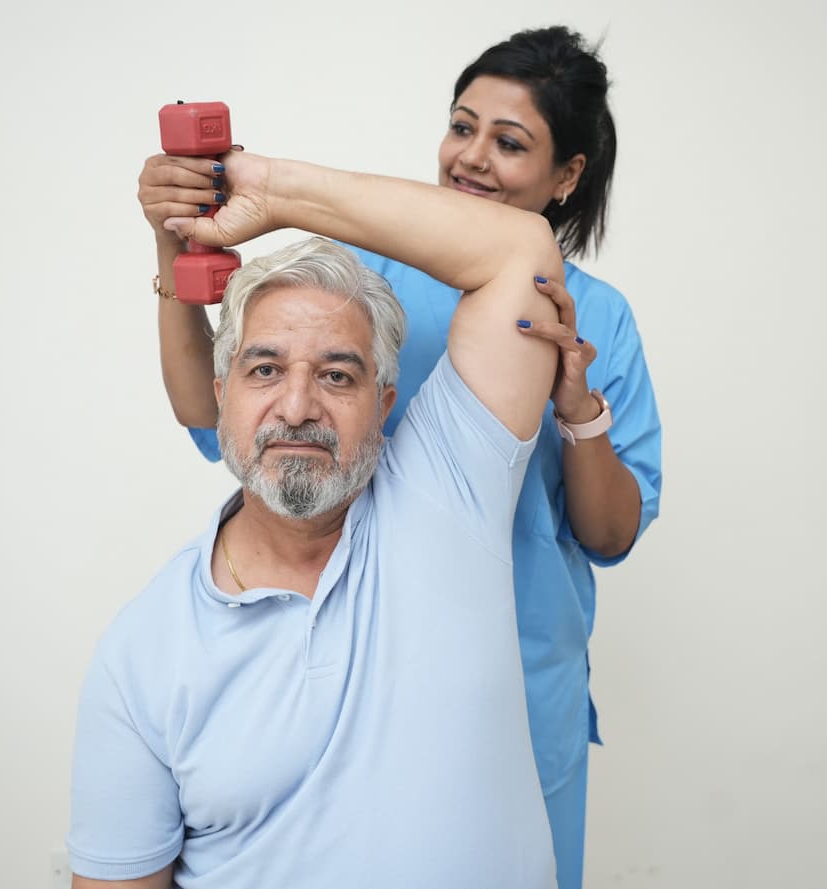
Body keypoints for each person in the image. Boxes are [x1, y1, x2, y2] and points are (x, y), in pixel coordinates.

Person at [141, 26, 662, 889]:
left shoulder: (596, 318)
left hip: (526, 684)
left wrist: (578, 412)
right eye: (462, 127)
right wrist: (173, 243)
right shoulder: (357, 278)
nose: (472, 159)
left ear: (567, 176)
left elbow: (609, 533)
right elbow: (211, 412)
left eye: (509, 141)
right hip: (355, 667)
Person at [70, 147, 566, 887]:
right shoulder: (141, 653)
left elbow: (519, 250)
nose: (298, 407)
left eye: (337, 374)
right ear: (222, 390)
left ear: (385, 403)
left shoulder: (449, 488)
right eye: (264, 369)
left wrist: (273, 191)